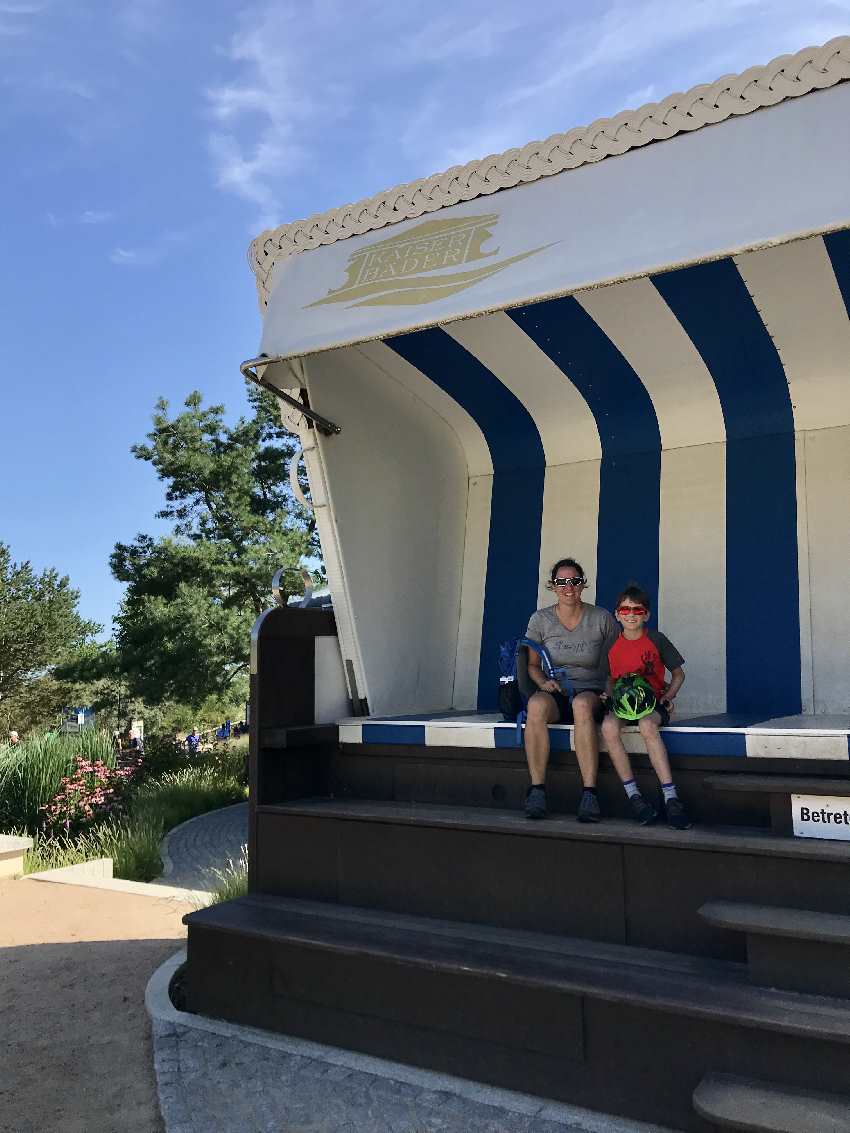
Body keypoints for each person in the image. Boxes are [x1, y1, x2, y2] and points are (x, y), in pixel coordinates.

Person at [523, 558, 618, 822]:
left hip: (591, 691)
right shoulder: (540, 619)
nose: (568, 587)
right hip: (556, 690)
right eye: (562, 582)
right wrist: (542, 683)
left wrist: (609, 693)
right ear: (553, 586)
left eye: (574, 581)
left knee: (582, 706)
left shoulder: (601, 618)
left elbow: (616, 665)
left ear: (582, 584)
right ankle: (537, 790)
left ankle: (589, 793)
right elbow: (531, 664)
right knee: (536, 706)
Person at [601, 584, 691, 830]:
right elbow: (608, 678)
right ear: (617, 614)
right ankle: (634, 797)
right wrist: (609, 697)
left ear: (647, 615)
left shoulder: (656, 639)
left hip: (651, 704)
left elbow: (678, 674)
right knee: (608, 728)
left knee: (647, 725)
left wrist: (667, 696)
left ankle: (671, 798)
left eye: (637, 610)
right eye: (625, 609)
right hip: (623, 705)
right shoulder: (611, 644)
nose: (631, 614)